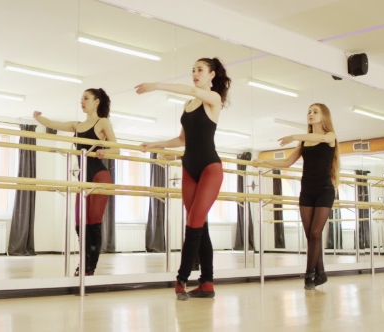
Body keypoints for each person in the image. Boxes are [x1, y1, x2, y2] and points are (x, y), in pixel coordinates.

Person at [136, 57, 231, 300]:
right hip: (189, 167)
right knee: (199, 224)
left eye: (200, 69)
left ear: (211, 75)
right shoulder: (188, 104)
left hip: (210, 167)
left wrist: (157, 85)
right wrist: (155, 144)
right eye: (193, 70)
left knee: (195, 222)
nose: (195, 73)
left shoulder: (214, 100)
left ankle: (181, 279)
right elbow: (181, 140)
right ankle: (206, 283)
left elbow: (191, 89)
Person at [252, 103, 340, 290]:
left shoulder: (329, 137)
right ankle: (321, 273)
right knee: (310, 235)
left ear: (324, 116)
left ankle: (309, 275)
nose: (310, 114)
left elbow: (320, 137)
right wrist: (263, 161)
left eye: (315, 112)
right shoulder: (304, 143)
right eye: (309, 111)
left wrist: (294, 136)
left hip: (325, 190)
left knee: (316, 233)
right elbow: (286, 162)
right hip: (306, 190)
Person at [33, 88, 119, 276]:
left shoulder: (102, 122)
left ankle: (89, 267)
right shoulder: (77, 125)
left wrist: (105, 152)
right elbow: (53, 123)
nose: (82, 101)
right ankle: (84, 262)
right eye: (81, 99)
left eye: (86, 98)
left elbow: (116, 149)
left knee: (93, 222)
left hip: (99, 176)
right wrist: (39, 118)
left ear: (96, 101)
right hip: (83, 179)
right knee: (80, 223)